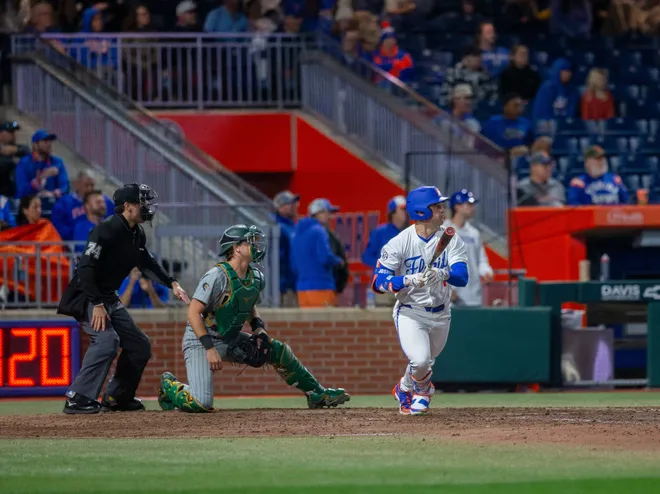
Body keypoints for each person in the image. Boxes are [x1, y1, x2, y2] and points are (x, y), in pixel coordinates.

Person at [157, 224, 350, 412]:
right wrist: (209, 348)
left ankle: (316, 393)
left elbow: (248, 303)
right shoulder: (216, 276)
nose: (256, 245)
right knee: (201, 403)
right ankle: (169, 385)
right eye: (250, 241)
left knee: (278, 350)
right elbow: (193, 312)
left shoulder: (255, 276)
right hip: (201, 339)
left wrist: (259, 328)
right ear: (236, 248)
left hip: (229, 337)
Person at [56, 183, 190, 414]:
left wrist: (172, 283)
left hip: (107, 297)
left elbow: (147, 263)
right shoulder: (104, 230)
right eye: (142, 202)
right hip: (86, 296)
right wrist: (97, 303)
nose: (147, 207)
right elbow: (86, 269)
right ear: (127, 207)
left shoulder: (136, 234)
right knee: (107, 341)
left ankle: (117, 397)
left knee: (140, 345)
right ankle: (78, 398)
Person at [371, 186, 468, 415]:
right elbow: (378, 282)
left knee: (424, 361)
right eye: (437, 207)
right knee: (421, 360)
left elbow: (462, 277)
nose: (443, 210)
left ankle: (404, 388)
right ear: (422, 212)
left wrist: (443, 274)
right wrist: (407, 280)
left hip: (442, 312)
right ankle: (424, 390)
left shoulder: (450, 237)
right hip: (410, 311)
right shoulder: (399, 243)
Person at [292, 198, 345, 308]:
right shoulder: (319, 231)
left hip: (302, 289)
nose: (330, 217)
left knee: (308, 324)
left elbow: (293, 266)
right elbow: (325, 257)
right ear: (317, 214)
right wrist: (338, 261)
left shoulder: (296, 234)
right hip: (322, 286)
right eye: (326, 213)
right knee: (325, 323)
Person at [444, 190, 493, 307]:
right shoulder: (443, 230)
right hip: (451, 296)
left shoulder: (473, 233)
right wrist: (445, 288)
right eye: (469, 204)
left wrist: (487, 272)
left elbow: (481, 260)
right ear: (457, 207)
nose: (473, 208)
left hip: (473, 295)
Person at [362, 195, 408, 307]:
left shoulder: (409, 233)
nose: (405, 213)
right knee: (382, 321)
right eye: (402, 209)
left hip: (403, 287)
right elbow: (366, 257)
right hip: (385, 286)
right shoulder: (380, 232)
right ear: (393, 212)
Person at [51, 171, 114, 241]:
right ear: (77, 185)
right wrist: (77, 233)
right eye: (86, 185)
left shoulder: (105, 202)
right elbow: (58, 226)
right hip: (73, 244)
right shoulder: (63, 203)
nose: (90, 189)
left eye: (92, 185)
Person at [15, 129, 69, 200]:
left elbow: (65, 186)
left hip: (52, 204)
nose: (49, 144)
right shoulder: (24, 163)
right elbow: (21, 191)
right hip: (30, 205)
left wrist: (54, 193)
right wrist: (39, 180)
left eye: (50, 141)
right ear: (35, 145)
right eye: (45, 141)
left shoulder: (57, 162)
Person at [532, 58, 579, 124]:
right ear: (557, 71)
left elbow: (571, 112)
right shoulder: (547, 88)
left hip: (566, 127)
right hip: (547, 126)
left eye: (569, 71)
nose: (569, 74)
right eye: (565, 71)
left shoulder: (573, 90)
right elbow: (542, 112)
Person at [273, 190, 299, 307]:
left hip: (293, 283)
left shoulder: (291, 226)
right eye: (290, 204)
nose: (294, 207)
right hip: (284, 285)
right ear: (280, 207)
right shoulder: (277, 227)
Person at [0, 120, 30, 198]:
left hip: (15, 193)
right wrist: (12, 161)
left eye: (13, 133)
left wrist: (15, 150)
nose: (13, 135)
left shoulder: (16, 148)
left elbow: (28, 152)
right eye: (10, 132)